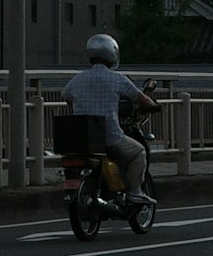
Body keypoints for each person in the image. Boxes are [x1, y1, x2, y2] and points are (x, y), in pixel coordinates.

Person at [65, 33, 155, 202]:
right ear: (113, 54)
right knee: (139, 152)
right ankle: (135, 191)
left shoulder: (77, 79)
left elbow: (67, 95)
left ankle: (103, 187)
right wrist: (154, 106)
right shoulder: (117, 79)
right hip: (109, 135)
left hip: (81, 137)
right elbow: (141, 98)